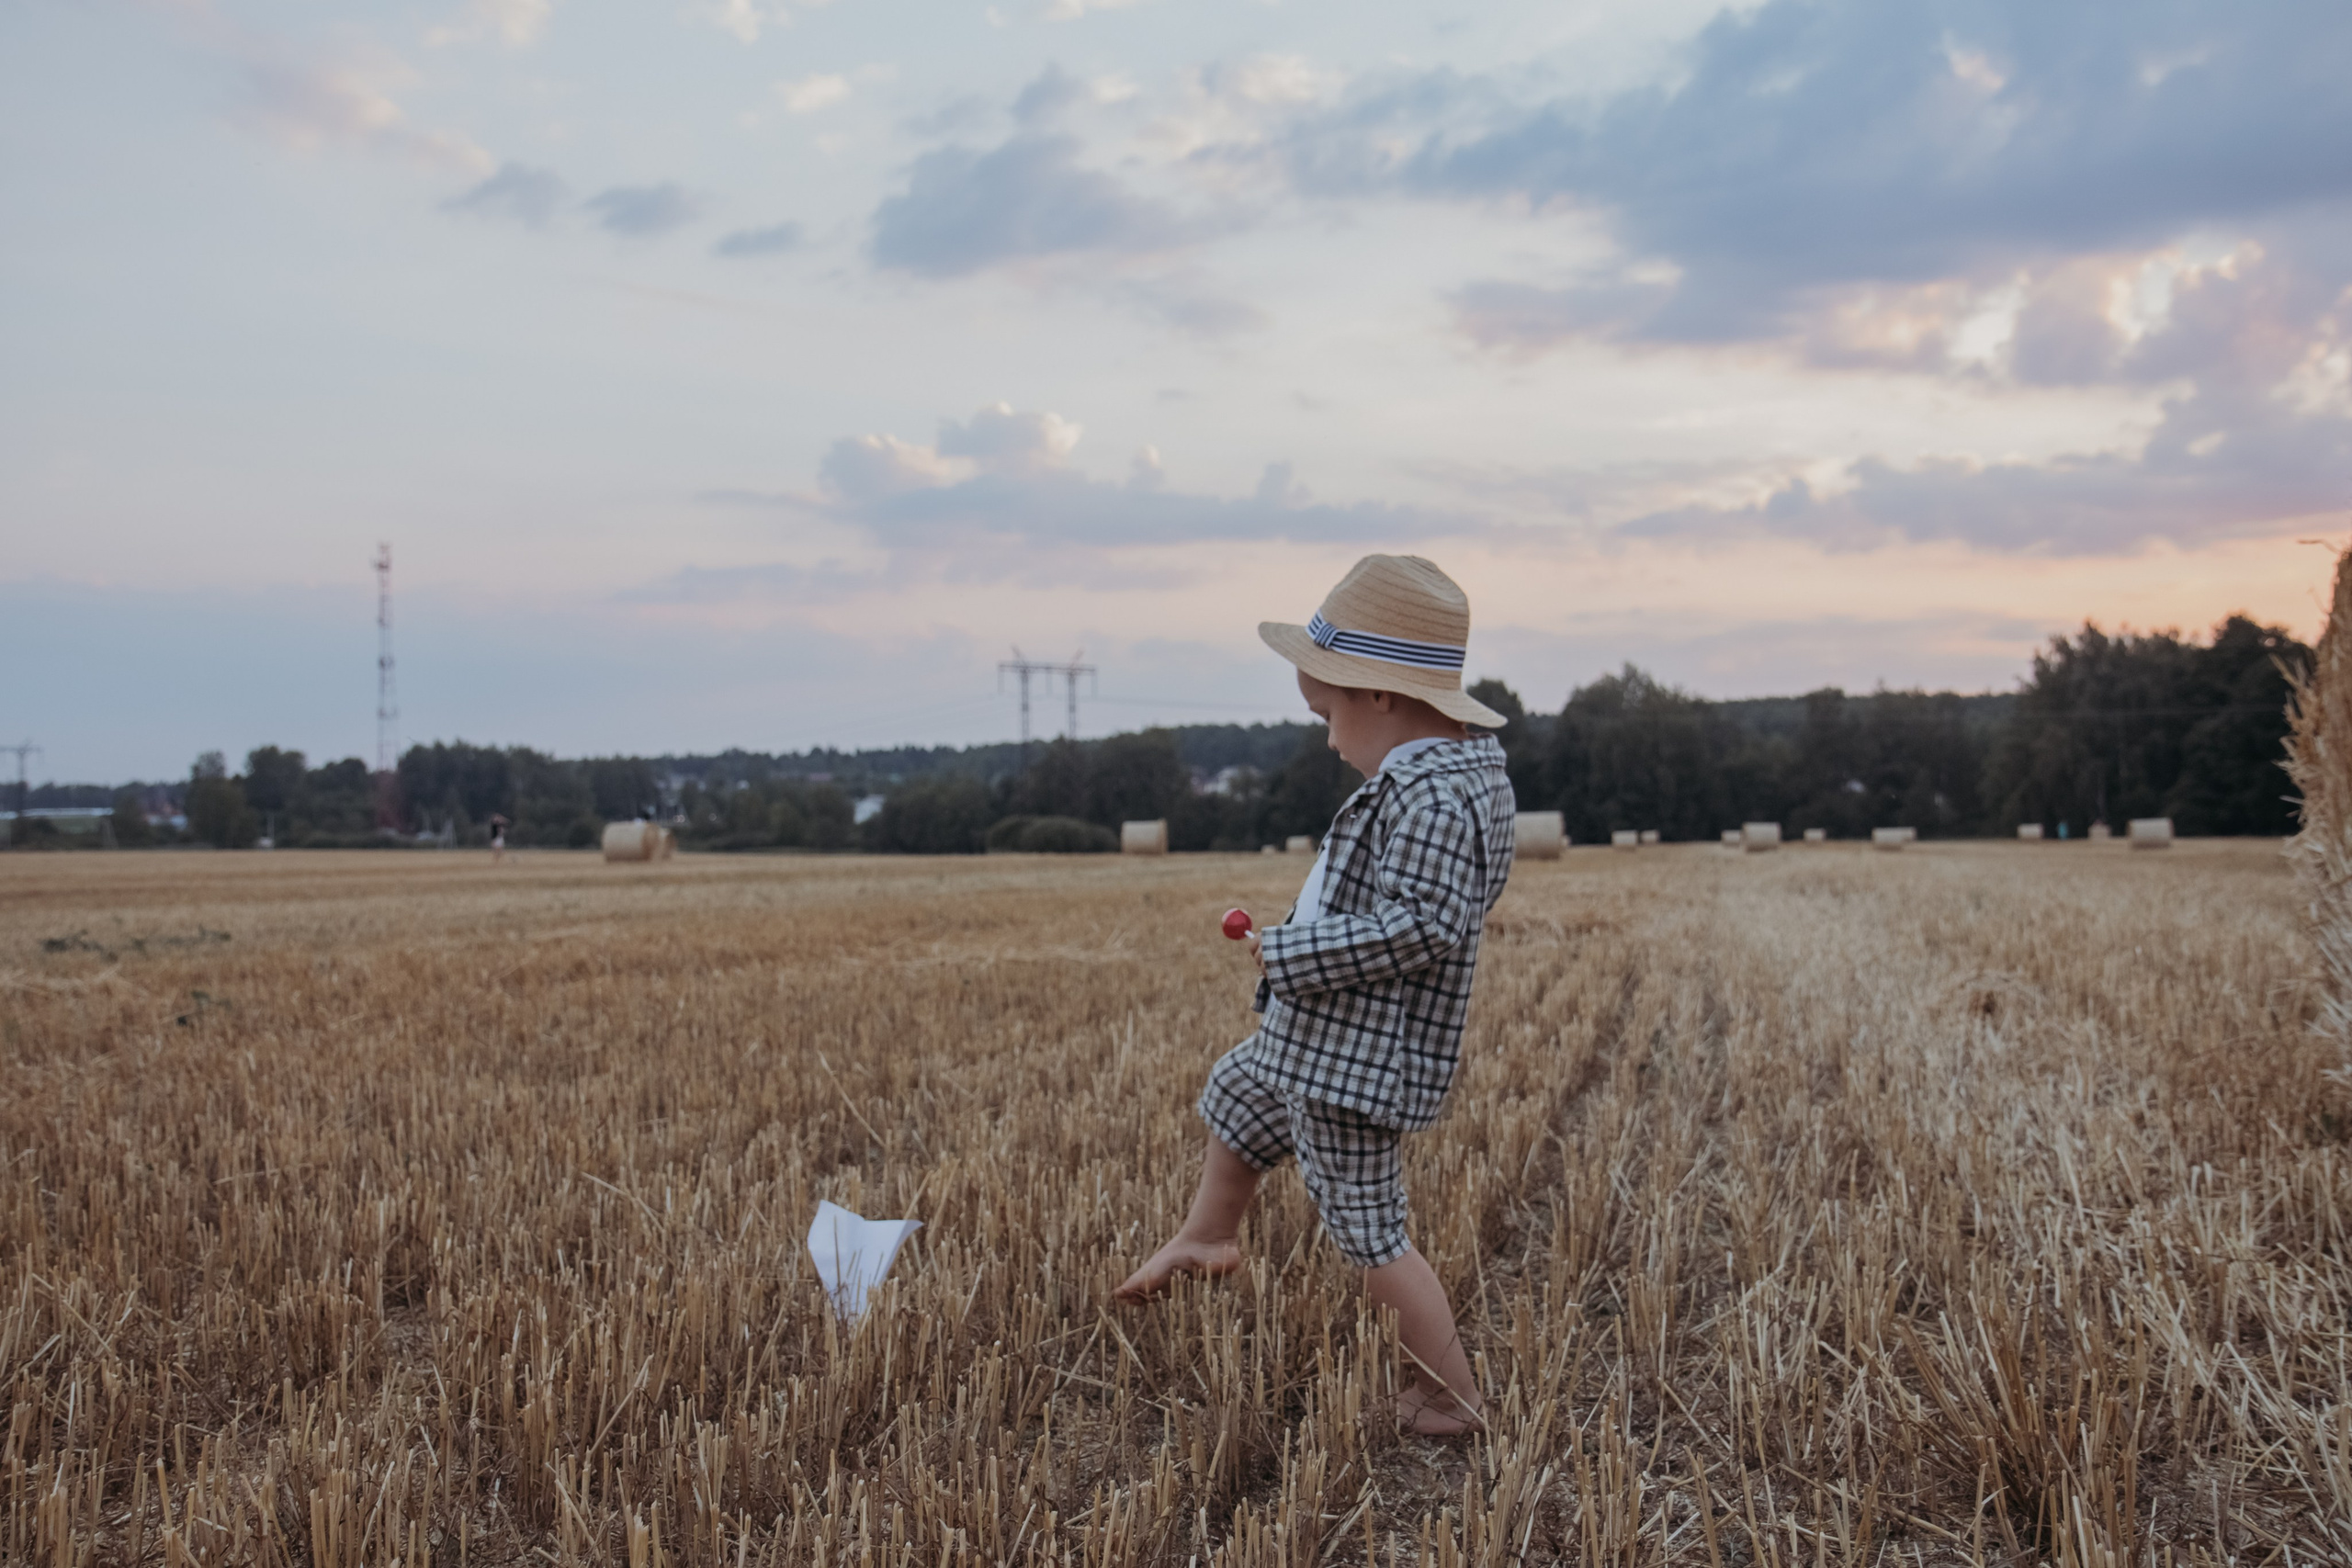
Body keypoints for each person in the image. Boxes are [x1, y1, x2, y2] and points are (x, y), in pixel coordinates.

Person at [1114, 554, 1517, 1437]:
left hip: (1356, 1064)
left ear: (1379, 693)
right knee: (1240, 1091)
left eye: (1329, 714)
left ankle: (1446, 1396)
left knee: (1369, 1230)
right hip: (1326, 1039)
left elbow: (1428, 924)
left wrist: (1293, 950)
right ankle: (1210, 1234)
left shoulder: (1431, 797)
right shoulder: (1455, 773)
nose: (1330, 740)